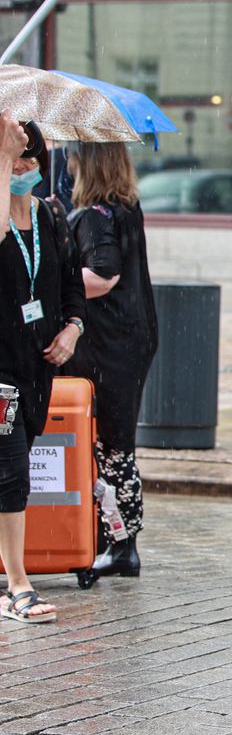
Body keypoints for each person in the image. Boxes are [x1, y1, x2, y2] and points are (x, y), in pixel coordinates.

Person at [0, 116, 86, 624]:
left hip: (38, 370)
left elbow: (72, 284)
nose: (23, 165)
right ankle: (18, 585)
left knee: (11, 465)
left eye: (31, 157)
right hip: (0, 370)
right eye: (14, 156)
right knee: (12, 474)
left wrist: (73, 328)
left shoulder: (51, 216)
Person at [60, 143, 158, 579]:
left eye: (74, 157)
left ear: (89, 165)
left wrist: (53, 279)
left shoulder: (97, 216)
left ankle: (118, 544)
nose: (68, 164)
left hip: (106, 343)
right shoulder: (125, 208)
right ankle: (119, 540)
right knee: (117, 442)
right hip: (130, 338)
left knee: (110, 443)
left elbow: (102, 275)